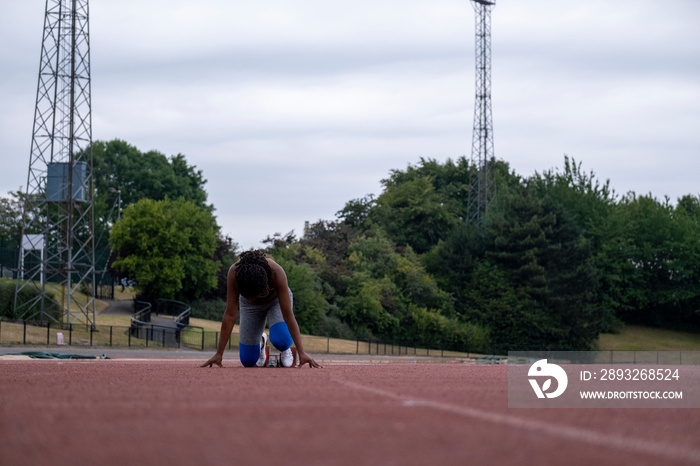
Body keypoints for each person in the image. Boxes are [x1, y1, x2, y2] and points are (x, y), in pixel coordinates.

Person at [201, 250, 321, 369]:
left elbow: (288, 315)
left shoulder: (276, 273)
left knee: (281, 340)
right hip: (249, 307)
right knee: (248, 361)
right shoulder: (234, 273)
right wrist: (219, 354)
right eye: (248, 295)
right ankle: (261, 343)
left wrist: (302, 352)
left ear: (264, 287)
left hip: (276, 302)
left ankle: (285, 350)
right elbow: (230, 315)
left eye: (254, 295)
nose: (253, 299)